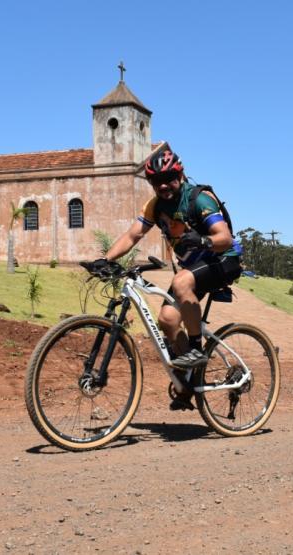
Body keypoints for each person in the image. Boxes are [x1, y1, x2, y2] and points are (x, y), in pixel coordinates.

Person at [100, 147, 243, 410]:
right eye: (156, 181)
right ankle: (188, 383)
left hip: (223, 259)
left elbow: (225, 239)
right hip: (193, 266)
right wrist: (106, 260)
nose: (163, 185)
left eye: (169, 178)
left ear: (181, 174)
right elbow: (133, 235)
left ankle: (196, 351)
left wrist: (201, 239)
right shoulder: (155, 206)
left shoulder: (199, 199)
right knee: (166, 320)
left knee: (181, 283)